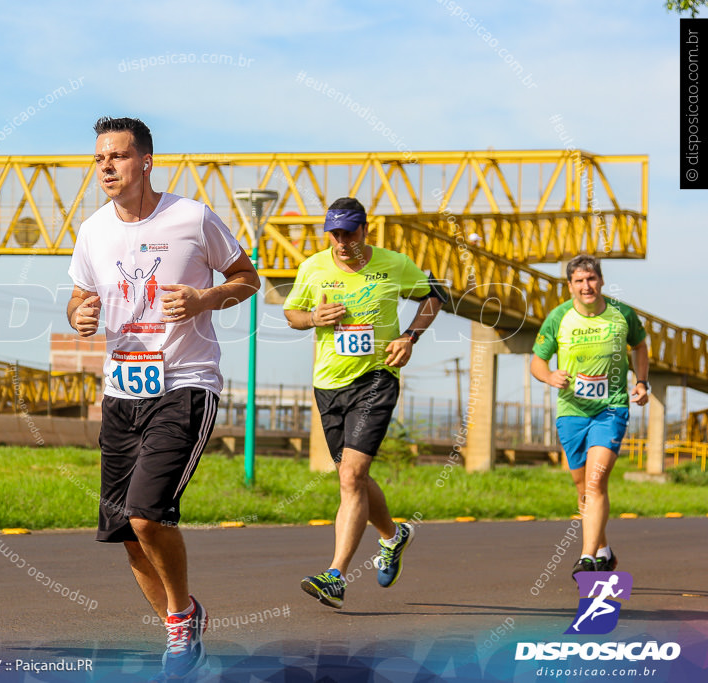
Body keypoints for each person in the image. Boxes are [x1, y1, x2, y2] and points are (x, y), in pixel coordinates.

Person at [67, 116, 259, 679]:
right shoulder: (92, 231)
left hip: (184, 384)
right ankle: (180, 628)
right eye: (100, 157)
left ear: (145, 161)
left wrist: (204, 299)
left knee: (147, 516)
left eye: (118, 156)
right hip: (122, 390)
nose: (106, 166)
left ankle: (184, 616)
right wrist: (79, 315)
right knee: (127, 535)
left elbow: (247, 277)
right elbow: (79, 298)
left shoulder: (192, 217)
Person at [283, 197, 446, 609]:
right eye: (334, 233)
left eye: (348, 233)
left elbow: (435, 295)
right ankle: (393, 535)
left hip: (377, 377)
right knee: (351, 477)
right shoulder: (313, 267)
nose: (341, 241)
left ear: (365, 232)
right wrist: (312, 319)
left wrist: (409, 337)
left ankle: (335, 575)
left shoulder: (393, 264)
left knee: (352, 475)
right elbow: (292, 313)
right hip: (328, 383)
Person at [530, 254, 648, 577]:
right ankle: (605, 551)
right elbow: (536, 362)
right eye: (579, 281)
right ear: (570, 286)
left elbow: (639, 346)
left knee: (596, 483)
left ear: (601, 280)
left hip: (611, 409)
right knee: (584, 489)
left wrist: (640, 382)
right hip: (572, 413)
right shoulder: (558, 318)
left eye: (591, 279)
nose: (586, 286)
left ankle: (587, 558)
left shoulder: (622, 314)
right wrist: (550, 376)